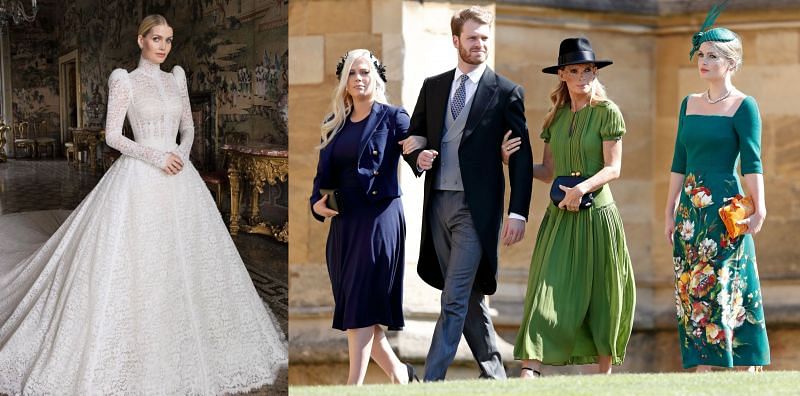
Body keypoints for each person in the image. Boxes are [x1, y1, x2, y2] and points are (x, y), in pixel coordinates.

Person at [0, 15, 287, 394]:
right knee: (135, 257)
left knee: (190, 257)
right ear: (141, 40)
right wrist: (155, 157)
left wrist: (181, 156)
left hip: (178, 174)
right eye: (156, 38)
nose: (164, 46)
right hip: (140, 171)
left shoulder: (177, 78)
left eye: (168, 39)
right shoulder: (125, 80)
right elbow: (112, 135)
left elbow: (189, 128)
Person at [402, 6, 534, 381]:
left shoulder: (507, 92)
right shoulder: (434, 86)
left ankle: (431, 381)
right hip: (438, 204)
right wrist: (418, 155)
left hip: (476, 211)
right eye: (473, 38)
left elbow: (522, 160)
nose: (480, 45)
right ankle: (495, 374)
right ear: (456, 40)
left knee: (454, 297)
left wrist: (518, 213)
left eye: (485, 38)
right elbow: (414, 138)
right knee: (469, 293)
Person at [505, 37, 636, 377]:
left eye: (588, 70)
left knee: (603, 295)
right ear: (561, 75)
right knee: (543, 290)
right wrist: (512, 163)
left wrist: (581, 188)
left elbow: (614, 168)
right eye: (575, 71)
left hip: (598, 219)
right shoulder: (555, 118)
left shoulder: (608, 113)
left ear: (595, 72)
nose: (583, 77)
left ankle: (603, 379)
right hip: (560, 220)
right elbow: (548, 172)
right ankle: (529, 371)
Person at [664, 2, 770, 372]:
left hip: (726, 208)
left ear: (731, 63)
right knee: (691, 286)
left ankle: (743, 361)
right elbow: (679, 161)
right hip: (691, 213)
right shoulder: (688, 104)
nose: (703, 62)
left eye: (712, 56)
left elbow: (752, 162)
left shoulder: (745, 105)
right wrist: (670, 211)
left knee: (728, 281)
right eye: (701, 55)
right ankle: (703, 365)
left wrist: (760, 206)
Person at [309, 49, 421, 385]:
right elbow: (321, 178)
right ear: (345, 83)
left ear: (376, 78)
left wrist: (423, 156)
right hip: (344, 224)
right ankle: (403, 375)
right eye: (353, 74)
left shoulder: (393, 117)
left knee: (359, 306)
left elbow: (413, 150)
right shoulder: (333, 125)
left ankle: (352, 388)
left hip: (378, 219)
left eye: (365, 72)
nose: (360, 79)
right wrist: (315, 202)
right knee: (361, 311)